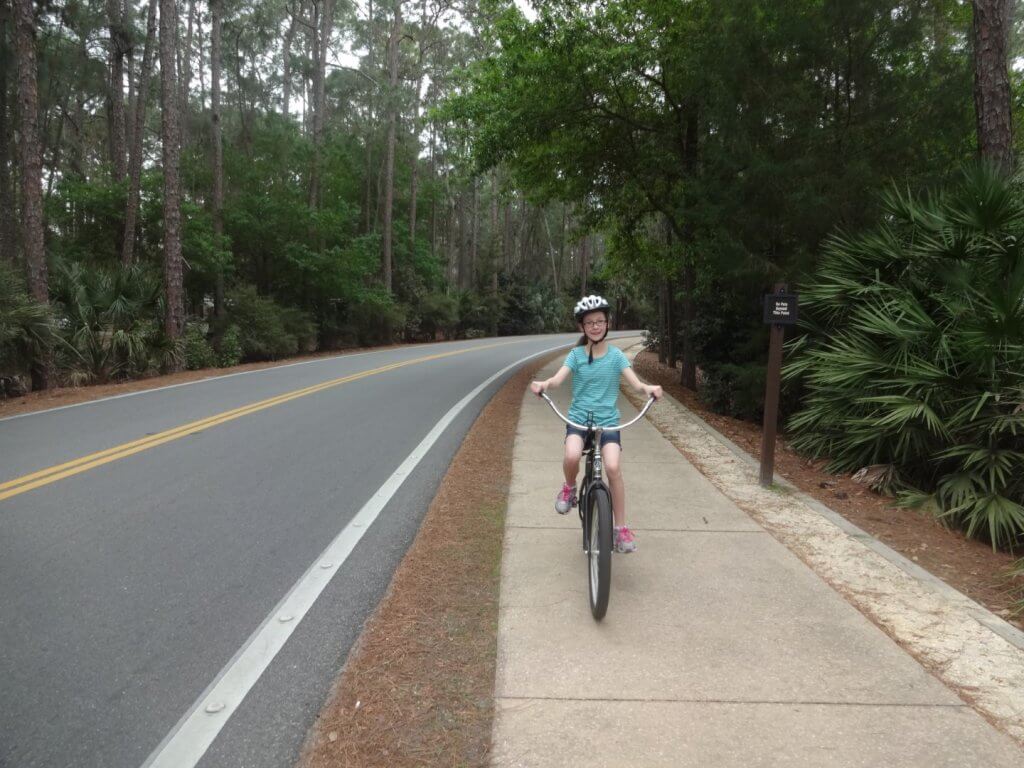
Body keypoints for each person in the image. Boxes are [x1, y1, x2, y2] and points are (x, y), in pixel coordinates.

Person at [529, 295, 662, 553]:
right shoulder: (576, 355)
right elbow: (557, 380)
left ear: (607, 323)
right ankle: (569, 489)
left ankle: (620, 529)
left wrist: (649, 388)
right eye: (590, 323)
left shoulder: (616, 357)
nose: (595, 326)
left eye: (600, 321)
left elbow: (636, 384)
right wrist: (544, 384)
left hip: (608, 423)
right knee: (572, 455)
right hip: (578, 420)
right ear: (582, 327)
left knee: (613, 467)